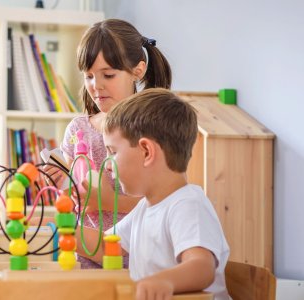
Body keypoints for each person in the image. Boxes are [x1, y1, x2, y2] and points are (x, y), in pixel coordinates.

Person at [80, 88, 230, 299]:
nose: (107, 165)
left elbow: (202, 267)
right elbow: (106, 247)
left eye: (113, 152)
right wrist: (58, 229)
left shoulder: (187, 205)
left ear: (147, 152)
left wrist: (164, 280)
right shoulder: (146, 206)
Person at [52, 19, 172, 269]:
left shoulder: (155, 127)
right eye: (89, 76)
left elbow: (167, 204)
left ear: (137, 71)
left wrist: (106, 201)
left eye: (108, 74)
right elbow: (72, 203)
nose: (96, 86)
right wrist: (61, 185)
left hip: (133, 261)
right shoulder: (78, 129)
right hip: (81, 258)